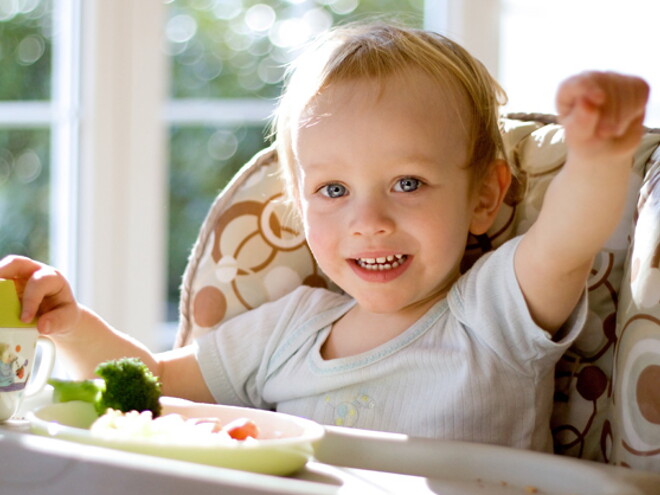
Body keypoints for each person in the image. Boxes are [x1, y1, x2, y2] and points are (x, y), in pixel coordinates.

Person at [0, 23, 649, 452]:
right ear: (298, 204)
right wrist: (71, 325)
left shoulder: (493, 314)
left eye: (409, 182)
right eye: (334, 191)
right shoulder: (287, 329)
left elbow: (567, 240)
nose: (369, 220)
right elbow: (146, 389)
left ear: (485, 196)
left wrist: (598, 156)